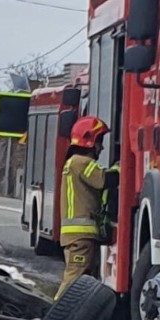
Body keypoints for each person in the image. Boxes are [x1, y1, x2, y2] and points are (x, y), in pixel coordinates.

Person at [56, 115, 119, 300]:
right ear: (90, 139)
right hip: (81, 237)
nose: (102, 147)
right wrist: (122, 168)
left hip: (78, 236)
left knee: (81, 282)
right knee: (73, 281)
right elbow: (104, 180)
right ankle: (53, 317)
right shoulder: (81, 162)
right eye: (100, 141)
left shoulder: (73, 162)